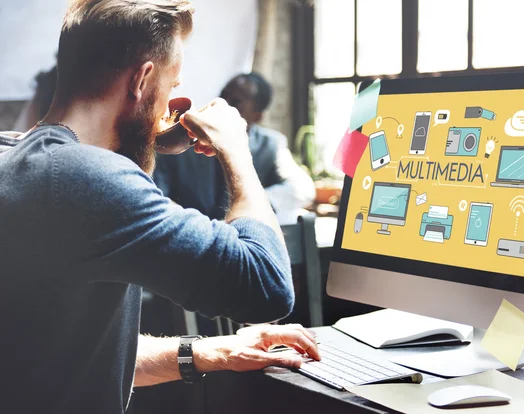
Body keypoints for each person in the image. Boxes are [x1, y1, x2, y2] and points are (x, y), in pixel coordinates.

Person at [0, 1, 319, 413]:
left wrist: (214, 351)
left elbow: (67, 354)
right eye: (171, 87)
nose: (168, 105)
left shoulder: (16, 156)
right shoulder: (86, 178)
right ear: (143, 79)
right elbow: (267, 286)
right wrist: (237, 151)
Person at [154, 72, 316, 224]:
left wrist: (250, 205)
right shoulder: (182, 141)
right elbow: (157, 195)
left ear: (257, 116)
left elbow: (302, 188)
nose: (224, 104)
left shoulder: (270, 145)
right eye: (223, 95)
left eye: (236, 102)